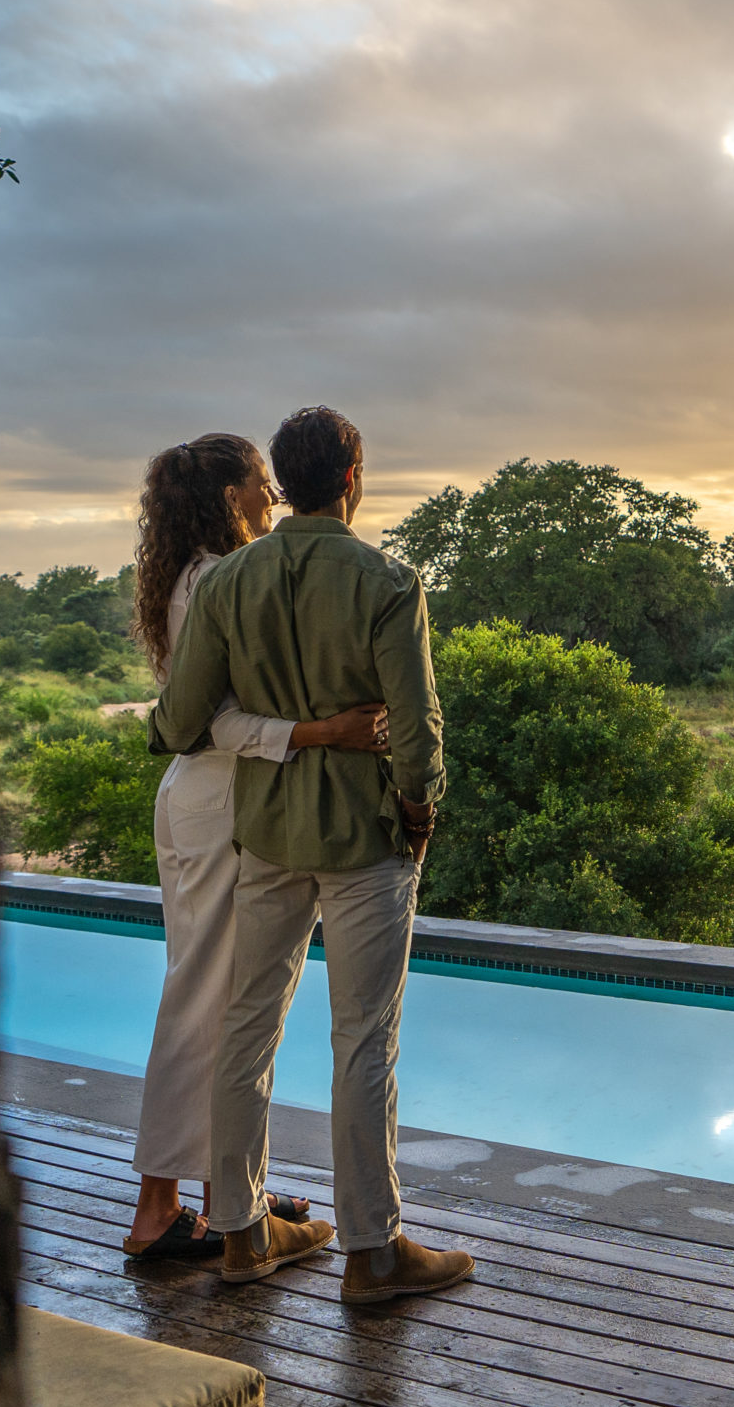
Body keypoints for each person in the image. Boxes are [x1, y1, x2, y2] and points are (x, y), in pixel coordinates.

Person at [151, 406, 473, 1302]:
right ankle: (372, 1250)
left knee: (246, 1031)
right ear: (353, 474)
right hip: (365, 840)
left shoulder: (228, 582)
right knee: (363, 1041)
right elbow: (416, 725)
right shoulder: (386, 580)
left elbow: (177, 721)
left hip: (266, 836)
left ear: (285, 484)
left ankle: (242, 1234)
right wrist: (419, 810)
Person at [122, 433, 392, 1259]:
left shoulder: (201, 573)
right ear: (228, 496)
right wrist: (326, 732)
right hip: (217, 799)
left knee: (228, 1002)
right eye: (258, 485)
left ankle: (227, 1193)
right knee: (207, 1001)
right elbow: (214, 723)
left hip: (208, 800)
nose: (271, 497)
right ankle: (158, 1208)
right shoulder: (213, 580)